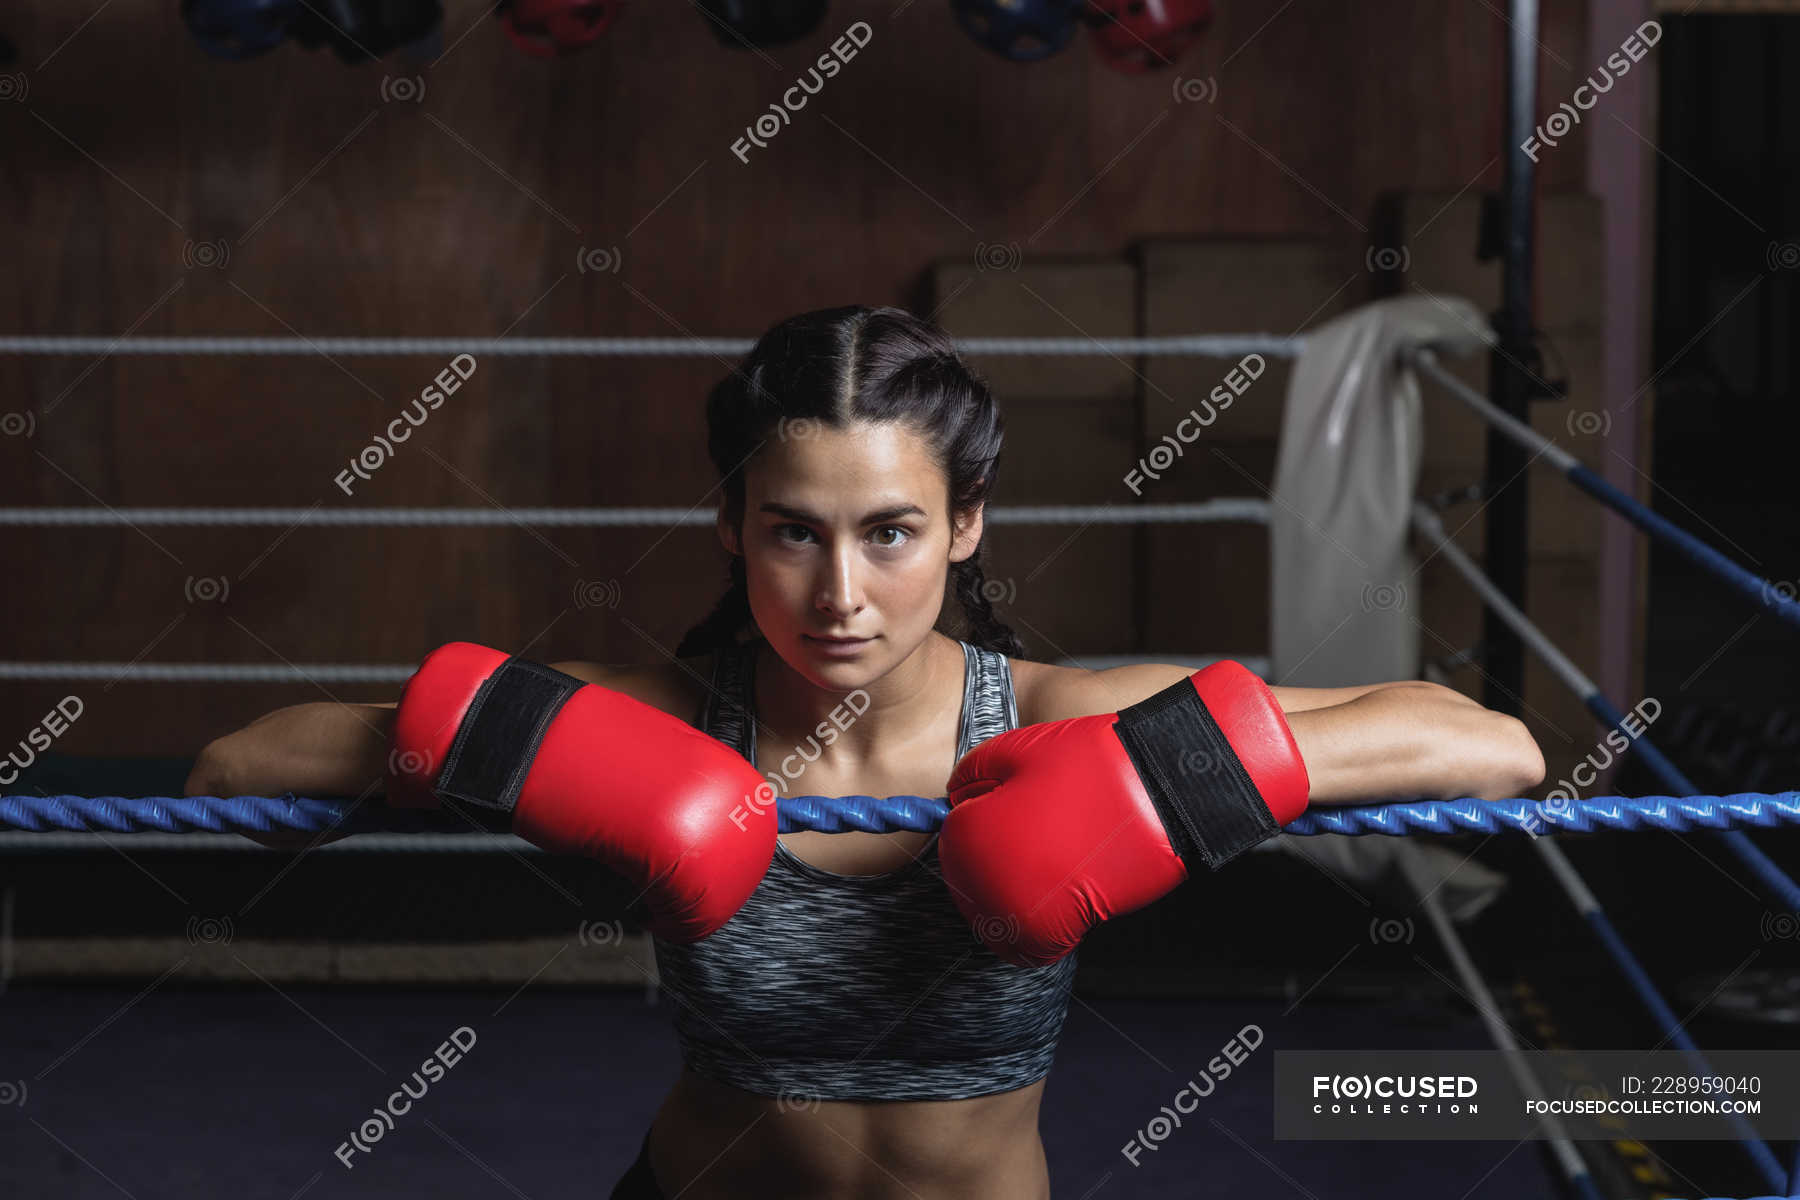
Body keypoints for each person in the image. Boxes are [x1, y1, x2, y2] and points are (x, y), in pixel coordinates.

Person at [186, 305, 1545, 1199]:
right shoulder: (663, 717)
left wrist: (1172, 783)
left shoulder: (1056, 718)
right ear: (733, 525)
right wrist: (494, 747)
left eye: (890, 531)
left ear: (966, 528)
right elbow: (236, 768)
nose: (840, 592)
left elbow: (1494, 751)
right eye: (795, 530)